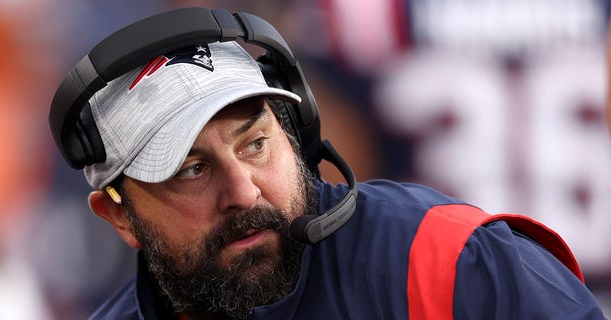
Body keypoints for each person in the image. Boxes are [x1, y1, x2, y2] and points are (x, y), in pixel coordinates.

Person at [48, 7, 607, 320]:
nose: (244, 191)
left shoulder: (443, 264)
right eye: (190, 168)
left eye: (255, 144)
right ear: (118, 216)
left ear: (298, 134)